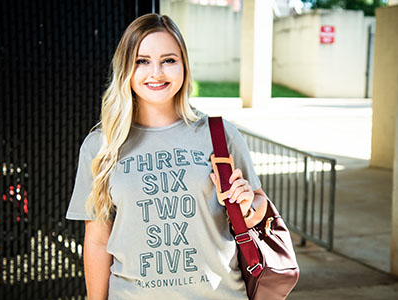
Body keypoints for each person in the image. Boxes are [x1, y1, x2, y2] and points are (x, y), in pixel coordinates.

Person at [66, 13, 268, 300]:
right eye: (142, 61)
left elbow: (259, 208)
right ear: (126, 68)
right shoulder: (101, 146)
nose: (156, 73)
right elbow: (98, 242)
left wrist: (248, 204)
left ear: (184, 65)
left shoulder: (220, 134)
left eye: (169, 60)